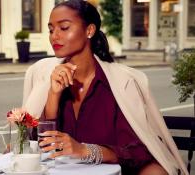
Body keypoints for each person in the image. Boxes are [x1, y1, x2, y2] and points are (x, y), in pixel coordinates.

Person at [22, 0, 188, 174]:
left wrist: (86, 150)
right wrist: (53, 96)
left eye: (64, 28)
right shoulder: (45, 75)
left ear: (89, 30)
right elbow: (37, 146)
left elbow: (139, 150)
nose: (54, 36)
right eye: (51, 29)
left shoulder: (121, 82)